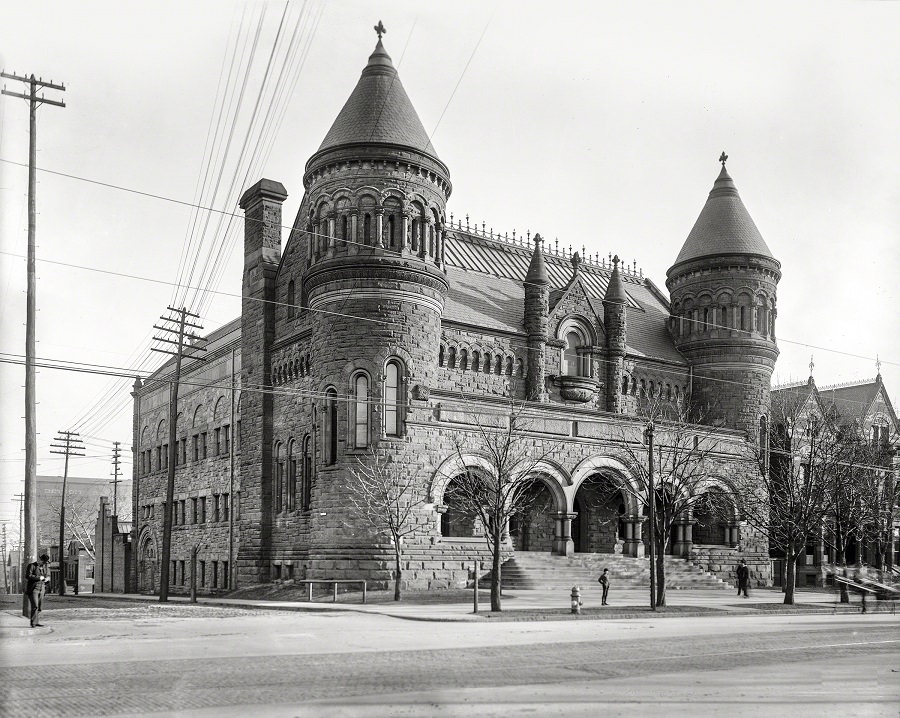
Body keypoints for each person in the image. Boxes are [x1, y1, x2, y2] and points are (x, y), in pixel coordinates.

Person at [26, 553, 51, 627]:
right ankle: (33, 623)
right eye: (43, 562)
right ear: (40, 560)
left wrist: (48, 579)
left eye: (46, 562)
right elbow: (28, 576)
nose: (44, 563)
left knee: (39, 607)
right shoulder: (32, 566)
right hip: (34, 589)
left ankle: (36, 621)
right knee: (35, 606)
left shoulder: (45, 567)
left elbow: (48, 575)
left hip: (42, 588)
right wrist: (38, 578)